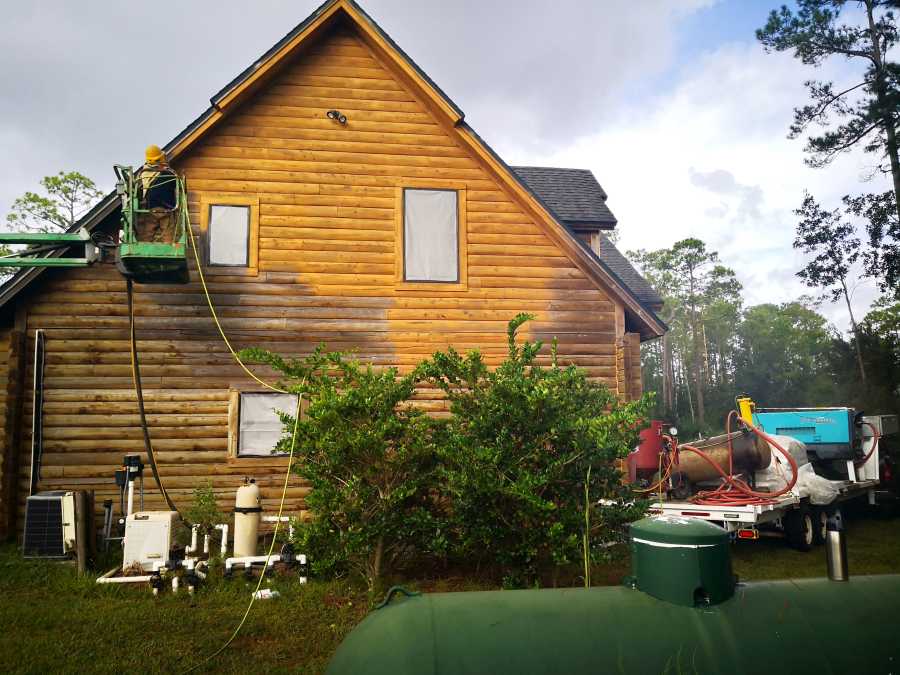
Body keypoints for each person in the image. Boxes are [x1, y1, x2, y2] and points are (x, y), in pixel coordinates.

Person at [136, 145, 178, 242]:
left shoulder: (144, 174)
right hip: (167, 210)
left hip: (150, 209)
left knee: (146, 234)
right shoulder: (169, 174)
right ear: (160, 159)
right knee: (168, 235)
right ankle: (169, 249)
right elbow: (176, 184)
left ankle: (144, 248)